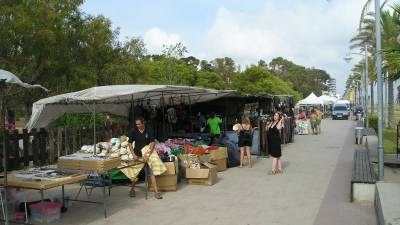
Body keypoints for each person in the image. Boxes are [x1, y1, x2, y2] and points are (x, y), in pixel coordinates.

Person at [127, 117, 164, 199]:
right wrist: (133, 155)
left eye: (139, 124)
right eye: (136, 124)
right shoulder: (134, 131)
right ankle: (132, 190)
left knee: (151, 173)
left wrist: (148, 154)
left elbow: (152, 142)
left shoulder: (149, 130)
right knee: (135, 174)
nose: (138, 126)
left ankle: (156, 192)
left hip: (148, 155)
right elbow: (129, 143)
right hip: (137, 155)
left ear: (143, 123)